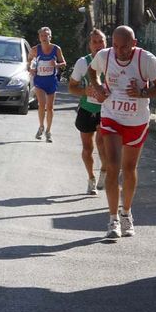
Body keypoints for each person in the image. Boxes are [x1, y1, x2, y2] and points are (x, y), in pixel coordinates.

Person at [88, 25, 156, 238]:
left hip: (136, 121)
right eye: (115, 46)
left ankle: (126, 213)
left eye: (124, 47)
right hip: (112, 117)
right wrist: (97, 86)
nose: (119, 51)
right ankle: (113, 220)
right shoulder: (105, 56)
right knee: (113, 166)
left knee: (129, 168)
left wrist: (142, 93)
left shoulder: (146, 60)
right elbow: (92, 70)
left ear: (134, 43)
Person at [69, 28, 108, 195]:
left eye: (101, 41)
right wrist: (85, 92)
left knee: (102, 143)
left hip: (106, 111)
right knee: (87, 148)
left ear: (106, 43)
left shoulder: (113, 61)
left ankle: (104, 172)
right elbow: (71, 87)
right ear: (89, 46)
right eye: (95, 42)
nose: (98, 45)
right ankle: (91, 178)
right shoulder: (82, 63)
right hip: (86, 109)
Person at [28, 27, 66, 142]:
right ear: (39, 37)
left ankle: (48, 131)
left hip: (51, 81)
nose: (44, 38)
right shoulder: (35, 49)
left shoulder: (56, 49)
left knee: (50, 107)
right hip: (39, 81)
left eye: (47, 35)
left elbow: (64, 63)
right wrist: (30, 68)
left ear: (50, 37)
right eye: (42, 36)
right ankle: (41, 126)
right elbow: (29, 61)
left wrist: (57, 65)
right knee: (41, 104)